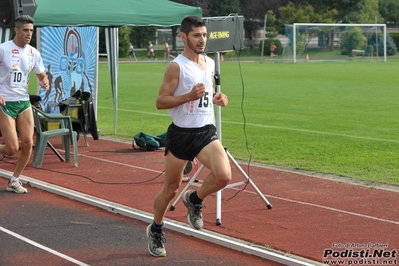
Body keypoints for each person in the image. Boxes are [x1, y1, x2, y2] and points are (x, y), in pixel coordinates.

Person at [146, 16, 231, 257]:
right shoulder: (177, 66)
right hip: (182, 134)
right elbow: (160, 102)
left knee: (223, 177)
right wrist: (188, 97)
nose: (202, 40)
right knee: (171, 189)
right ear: (183, 37)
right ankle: (156, 228)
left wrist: (217, 98)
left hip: (205, 131)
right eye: (196, 35)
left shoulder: (210, 63)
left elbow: (207, 92)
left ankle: (194, 199)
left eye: (204, 35)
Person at [0, 15, 49, 193]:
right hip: (5, 103)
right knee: (12, 148)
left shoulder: (33, 53)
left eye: (31, 31)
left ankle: (15, 179)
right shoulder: (3, 49)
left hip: (23, 102)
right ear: (17, 30)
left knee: (28, 143)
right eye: (26, 30)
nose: (29, 34)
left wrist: (45, 81)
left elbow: (41, 74)